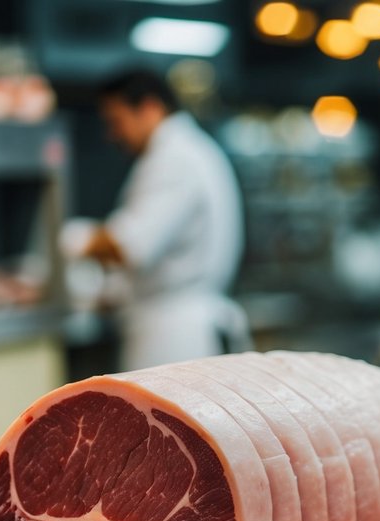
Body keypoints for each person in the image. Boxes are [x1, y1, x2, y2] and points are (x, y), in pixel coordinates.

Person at [62, 68, 247, 370]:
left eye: (116, 122)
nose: (112, 135)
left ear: (149, 108)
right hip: (177, 326)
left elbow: (125, 247)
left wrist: (68, 238)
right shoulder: (187, 150)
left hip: (173, 338)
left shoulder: (173, 157)